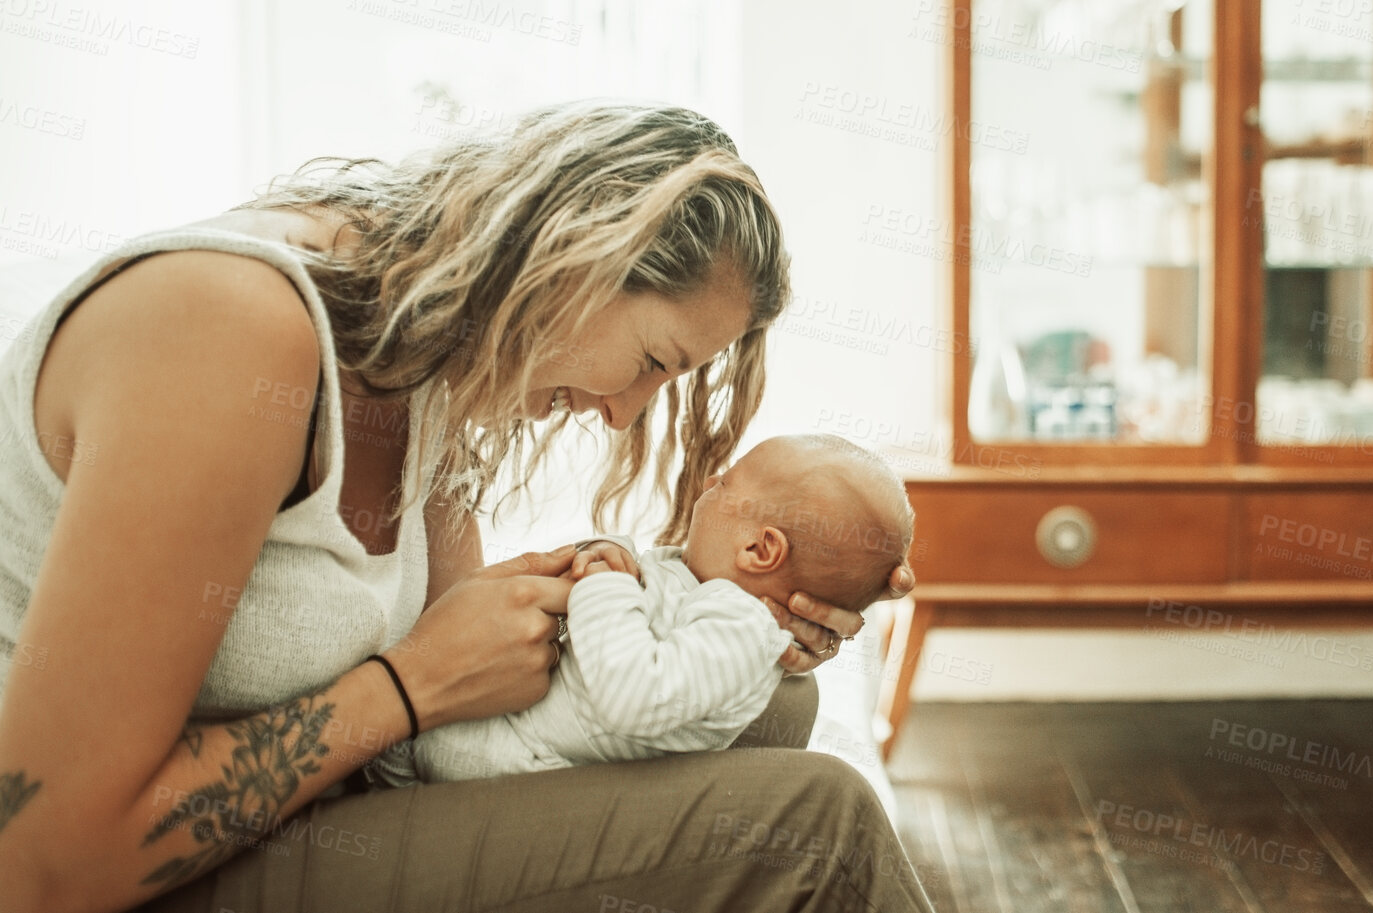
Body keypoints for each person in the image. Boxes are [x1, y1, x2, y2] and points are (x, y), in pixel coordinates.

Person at [0, 103, 929, 913]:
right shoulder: (227, 328)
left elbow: (464, 664)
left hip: (315, 811)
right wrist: (411, 685)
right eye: (652, 362)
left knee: (776, 704)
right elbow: (42, 862)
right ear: (573, 255)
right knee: (819, 825)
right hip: (114, 876)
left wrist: (733, 615)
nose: (622, 417)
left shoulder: (424, 345)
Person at [382, 433, 915, 785]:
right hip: (512, 725)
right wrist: (603, 554)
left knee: (427, 754)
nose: (707, 484)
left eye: (724, 483)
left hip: (523, 764)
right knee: (408, 749)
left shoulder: (742, 628)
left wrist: (604, 585)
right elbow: (639, 583)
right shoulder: (699, 581)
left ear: (759, 550)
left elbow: (637, 695)